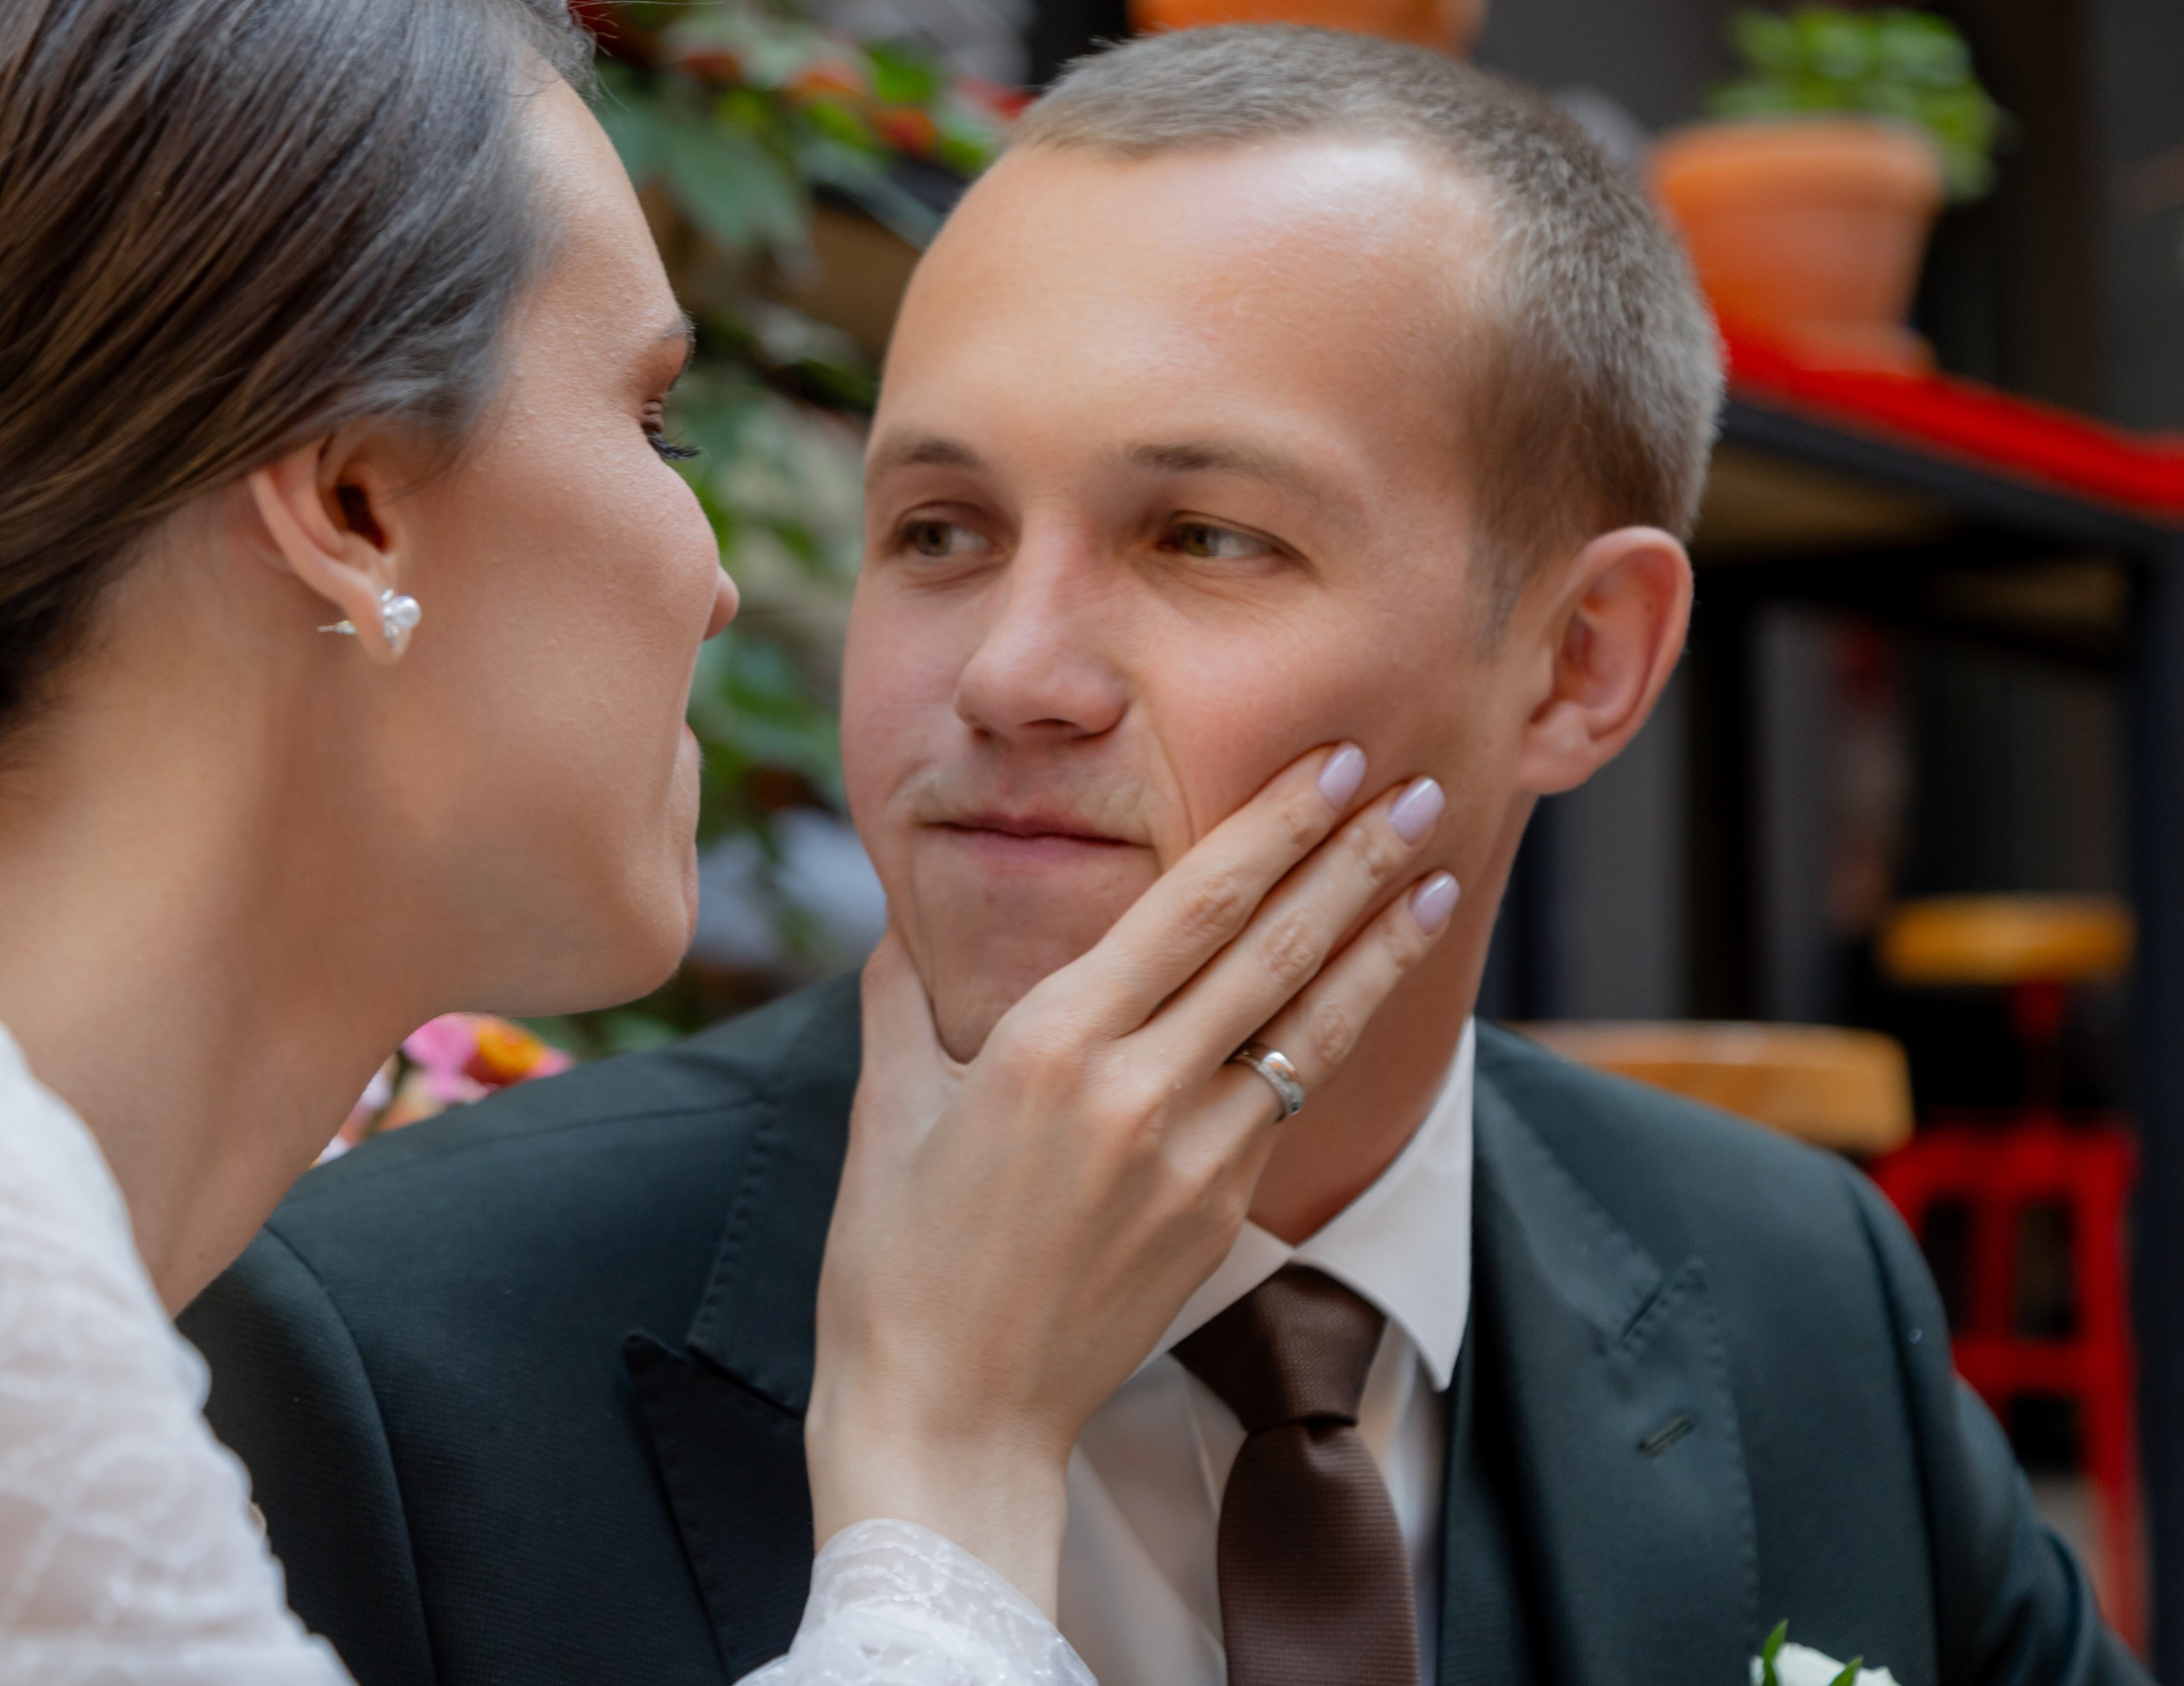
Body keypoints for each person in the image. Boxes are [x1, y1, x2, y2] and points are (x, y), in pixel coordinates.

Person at [186, 25, 2150, 1686]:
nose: (1009, 674)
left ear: (1579, 661)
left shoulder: (1789, 1283)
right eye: (940, 530)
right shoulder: (389, 1352)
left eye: (1203, 538)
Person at [0, 3, 1457, 1681]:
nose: (723, 580)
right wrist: (951, 1444)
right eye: (651, 419)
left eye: (1205, 540)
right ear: (352, 499)